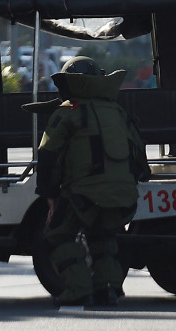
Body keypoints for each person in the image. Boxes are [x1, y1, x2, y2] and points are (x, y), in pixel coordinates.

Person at [36, 56, 149, 307]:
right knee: (103, 237)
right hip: (124, 194)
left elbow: (47, 154)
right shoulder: (118, 111)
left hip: (84, 193)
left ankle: (78, 289)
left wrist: (49, 193)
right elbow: (140, 156)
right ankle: (108, 289)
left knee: (57, 234)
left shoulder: (68, 112)